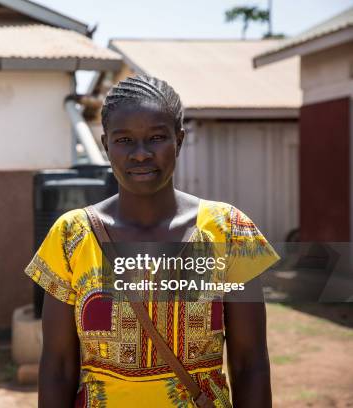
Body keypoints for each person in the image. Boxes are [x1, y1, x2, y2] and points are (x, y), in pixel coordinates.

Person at [24, 74, 279, 407]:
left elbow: (250, 364)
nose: (141, 154)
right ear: (105, 145)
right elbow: (57, 367)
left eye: (157, 137)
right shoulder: (71, 235)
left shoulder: (229, 231)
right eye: (124, 140)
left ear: (179, 140)